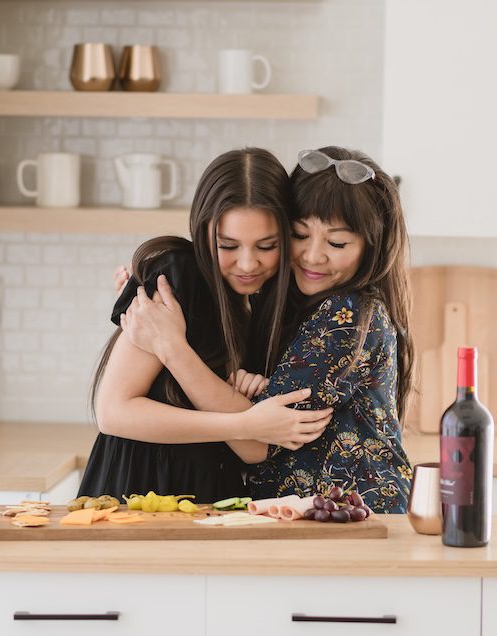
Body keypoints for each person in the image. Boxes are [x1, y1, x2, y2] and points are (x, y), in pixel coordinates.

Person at [119, 146, 416, 513]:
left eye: (337, 242)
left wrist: (170, 346)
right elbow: (255, 416)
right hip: (315, 518)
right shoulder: (279, 302)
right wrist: (249, 390)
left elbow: (255, 441)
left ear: (373, 247)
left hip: (351, 520)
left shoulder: (350, 314)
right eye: (299, 235)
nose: (312, 255)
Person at [79, 147, 333, 504]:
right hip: (138, 486)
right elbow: (114, 412)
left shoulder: (274, 306)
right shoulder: (177, 276)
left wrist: (252, 398)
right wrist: (243, 421)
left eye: (267, 246)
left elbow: (255, 449)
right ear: (203, 232)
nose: (248, 263)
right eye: (227, 245)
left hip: (216, 493)